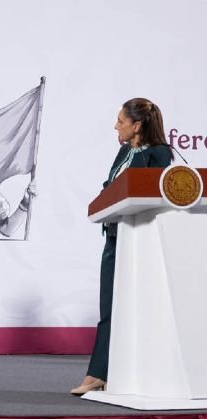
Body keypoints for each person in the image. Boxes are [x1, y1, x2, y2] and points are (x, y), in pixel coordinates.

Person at [69, 98, 173, 395]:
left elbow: (153, 194)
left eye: (121, 121)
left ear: (137, 125)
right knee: (109, 307)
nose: (116, 126)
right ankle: (99, 373)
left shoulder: (160, 153)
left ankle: (137, 373)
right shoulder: (124, 150)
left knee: (140, 308)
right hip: (115, 237)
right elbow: (112, 187)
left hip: (141, 242)